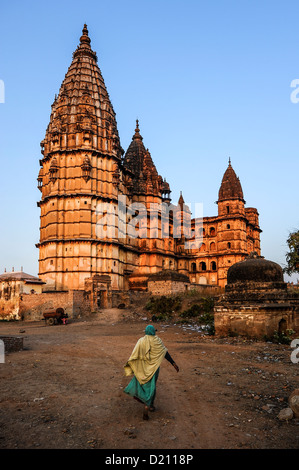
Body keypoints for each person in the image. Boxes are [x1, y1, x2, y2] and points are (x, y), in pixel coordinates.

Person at [124, 325, 179, 420]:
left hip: (142, 368)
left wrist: (132, 366)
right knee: (152, 386)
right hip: (154, 369)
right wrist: (173, 363)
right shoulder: (157, 341)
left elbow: (135, 354)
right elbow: (165, 353)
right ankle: (149, 405)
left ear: (146, 331)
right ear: (154, 331)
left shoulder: (141, 340)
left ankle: (146, 402)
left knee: (142, 384)